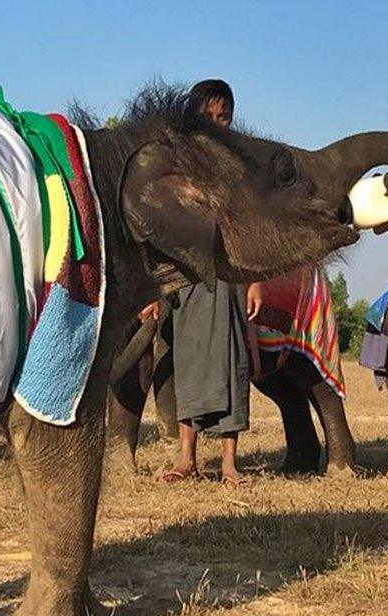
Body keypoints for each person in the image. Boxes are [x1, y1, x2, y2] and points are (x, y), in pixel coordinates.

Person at [145, 79, 262, 486]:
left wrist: (254, 281)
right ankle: (186, 458)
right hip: (186, 275)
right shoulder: (174, 166)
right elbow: (162, 227)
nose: (216, 122)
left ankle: (230, 463)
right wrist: (156, 286)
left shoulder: (241, 168)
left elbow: (248, 229)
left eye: (223, 115)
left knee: (232, 362)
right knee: (189, 360)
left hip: (229, 274)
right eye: (207, 115)